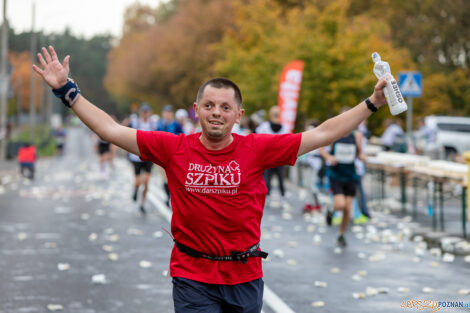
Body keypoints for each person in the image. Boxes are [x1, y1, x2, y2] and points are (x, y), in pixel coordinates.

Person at [33, 45, 386, 313]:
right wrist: (67, 91)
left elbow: (323, 134)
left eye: (225, 107)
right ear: (197, 109)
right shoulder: (172, 147)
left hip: (245, 276)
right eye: (209, 105)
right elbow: (109, 130)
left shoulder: (258, 148)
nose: (216, 112)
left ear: (238, 115)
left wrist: (371, 102)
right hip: (192, 276)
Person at [319, 107, 367, 247]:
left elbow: (359, 153)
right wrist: (329, 157)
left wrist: (362, 157)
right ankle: (331, 210)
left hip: (351, 174)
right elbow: (321, 148)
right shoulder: (335, 134)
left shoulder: (357, 135)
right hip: (337, 174)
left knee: (348, 209)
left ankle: (341, 234)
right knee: (340, 204)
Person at [126, 103, 158, 214]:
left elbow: (157, 137)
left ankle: (142, 204)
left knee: (147, 182)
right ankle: (135, 190)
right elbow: (127, 135)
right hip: (136, 157)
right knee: (138, 181)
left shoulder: (153, 123)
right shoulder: (135, 122)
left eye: (147, 111)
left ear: (150, 112)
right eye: (143, 111)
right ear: (140, 112)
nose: (145, 113)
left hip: (149, 156)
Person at [255, 106, 288, 202]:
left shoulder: (283, 127)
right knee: (268, 178)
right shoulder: (265, 126)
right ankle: (269, 195)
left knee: (279, 178)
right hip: (269, 158)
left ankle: (280, 195)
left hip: (277, 158)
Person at [157, 104, 184, 206]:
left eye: (169, 112)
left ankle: (172, 196)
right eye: (166, 112)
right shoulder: (160, 124)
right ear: (163, 113)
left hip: (173, 154)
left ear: (172, 114)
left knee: (172, 177)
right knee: (164, 177)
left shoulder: (176, 124)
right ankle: (168, 196)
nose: (167, 114)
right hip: (161, 154)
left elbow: (182, 136)